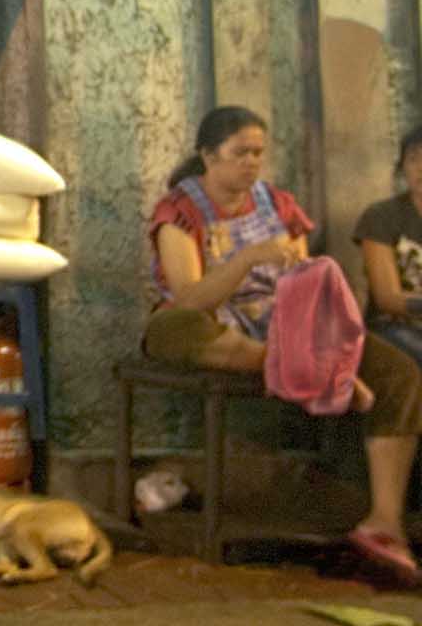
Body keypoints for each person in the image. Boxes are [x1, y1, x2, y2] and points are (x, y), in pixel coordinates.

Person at [145, 105, 422, 581]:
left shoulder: (277, 203)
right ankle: (314, 372)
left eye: (258, 153)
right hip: (214, 325)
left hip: (284, 326)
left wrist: (311, 298)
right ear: (208, 156)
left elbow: (304, 279)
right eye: (239, 153)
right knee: (173, 329)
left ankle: (385, 523)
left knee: (399, 374)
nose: (251, 163)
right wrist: (248, 258)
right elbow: (191, 299)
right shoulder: (180, 211)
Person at [356, 125, 422, 367]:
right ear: (402, 165)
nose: (420, 168)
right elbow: (387, 298)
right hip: (393, 325)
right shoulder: (381, 216)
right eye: (414, 158)